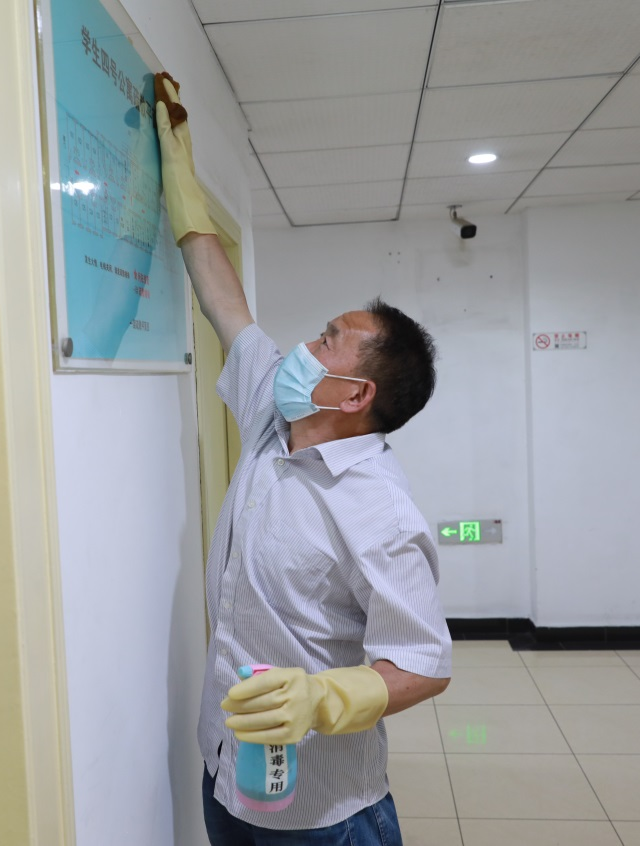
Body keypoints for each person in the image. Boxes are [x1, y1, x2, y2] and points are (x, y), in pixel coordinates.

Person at [155, 72, 452, 846]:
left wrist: (324, 699)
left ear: (352, 394)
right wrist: (181, 184)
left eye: (326, 340)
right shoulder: (273, 416)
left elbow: (423, 662)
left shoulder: (380, 512)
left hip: (323, 811)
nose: (301, 347)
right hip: (226, 772)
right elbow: (227, 308)